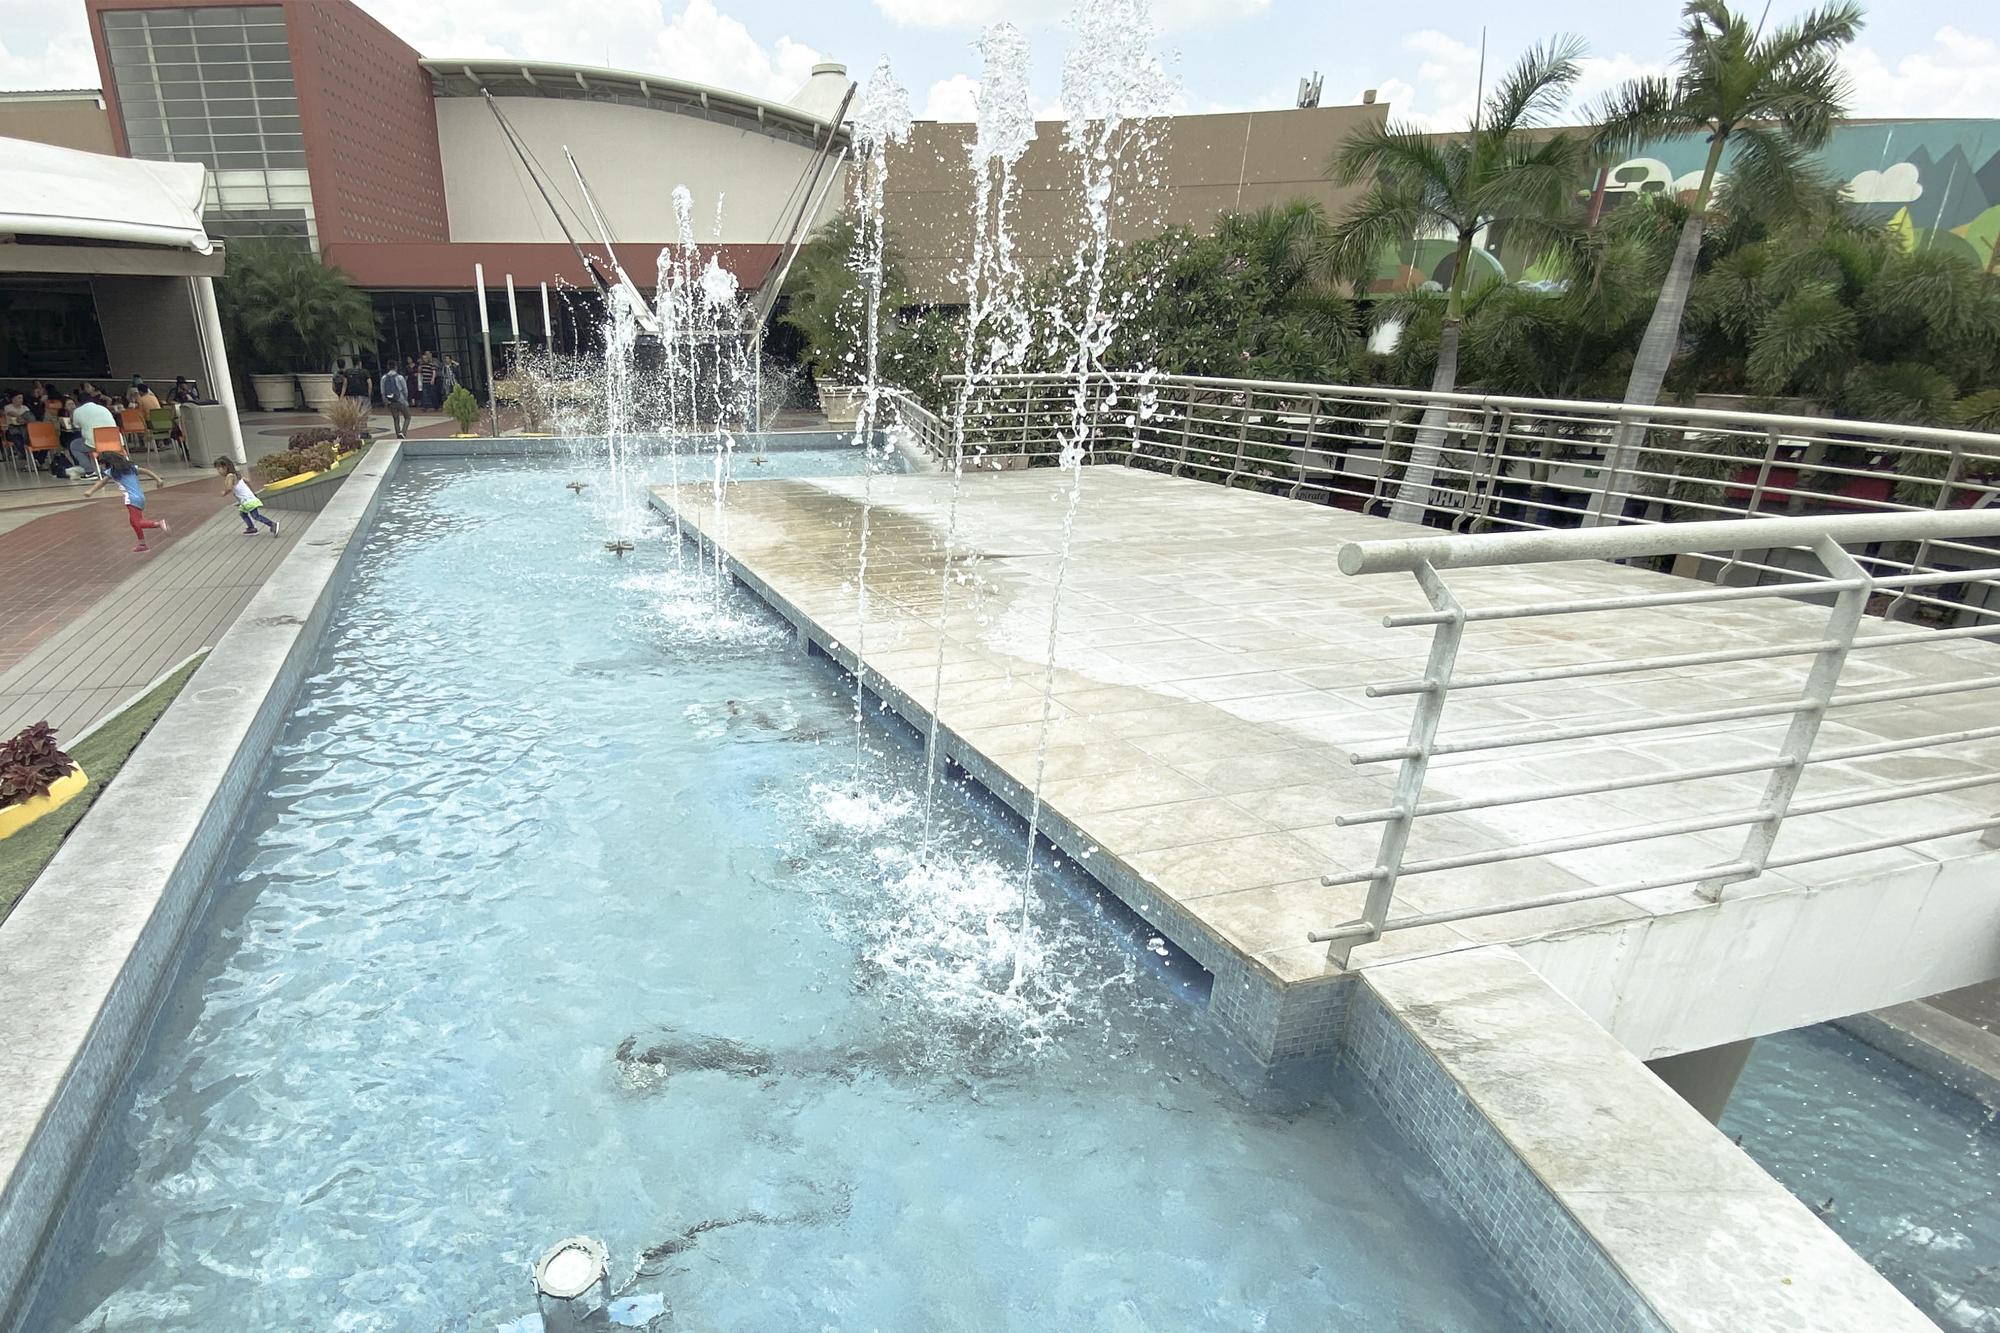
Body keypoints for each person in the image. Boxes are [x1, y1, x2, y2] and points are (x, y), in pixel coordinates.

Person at [85, 452, 171, 551]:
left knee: (137, 522)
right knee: (133, 522)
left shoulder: (112, 472)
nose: (102, 466)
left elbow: (102, 483)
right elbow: (146, 471)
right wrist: (158, 479)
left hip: (131, 499)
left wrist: (90, 491)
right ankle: (142, 544)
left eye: (102, 463)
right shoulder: (131, 467)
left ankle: (158, 523)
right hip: (140, 497)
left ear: (107, 462)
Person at [214, 458, 279, 537]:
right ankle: (251, 528)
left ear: (225, 467)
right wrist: (252, 492)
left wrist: (224, 492)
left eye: (218, 469)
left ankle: (272, 524)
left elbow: (229, 488)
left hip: (247, 500)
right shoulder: (236, 475)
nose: (218, 471)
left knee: (255, 516)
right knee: (243, 513)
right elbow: (247, 480)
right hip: (248, 498)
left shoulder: (230, 476)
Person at [69, 393, 116, 479]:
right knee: (88, 442)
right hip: (114, 441)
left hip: (96, 443)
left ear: (78, 402)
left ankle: (90, 471)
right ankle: (105, 467)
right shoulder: (103, 408)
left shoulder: (78, 411)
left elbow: (76, 426)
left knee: (74, 445)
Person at [380, 361, 411, 438]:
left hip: (390, 401)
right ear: (396, 367)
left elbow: (382, 391)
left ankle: (398, 433)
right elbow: (405, 390)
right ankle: (403, 432)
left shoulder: (384, 378)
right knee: (407, 417)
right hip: (400, 400)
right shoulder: (400, 377)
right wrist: (406, 399)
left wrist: (385, 401)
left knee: (396, 418)